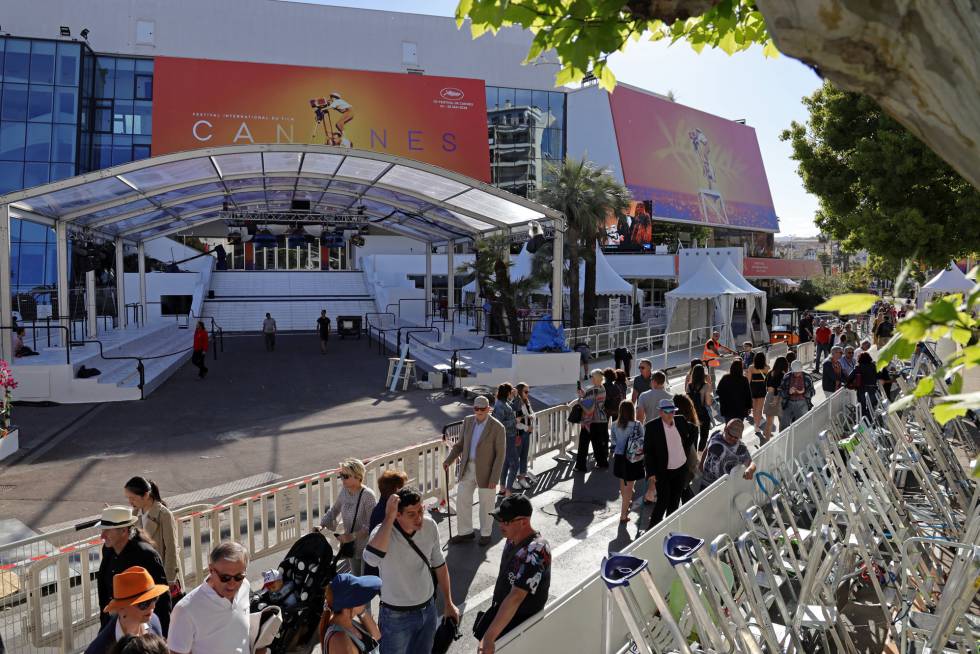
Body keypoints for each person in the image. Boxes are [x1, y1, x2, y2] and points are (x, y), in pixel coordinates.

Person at [363, 488, 460, 654]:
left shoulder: (430, 526)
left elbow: (439, 565)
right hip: (395, 617)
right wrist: (388, 517)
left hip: (428, 610)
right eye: (411, 514)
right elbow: (371, 559)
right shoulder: (382, 531)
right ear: (397, 515)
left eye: (420, 510)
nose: (419, 518)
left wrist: (449, 603)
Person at [477, 496, 551, 654]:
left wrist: (489, 637)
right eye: (499, 519)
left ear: (523, 522)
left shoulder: (537, 550)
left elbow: (516, 596)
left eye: (506, 521)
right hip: (504, 615)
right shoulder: (511, 539)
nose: (500, 524)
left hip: (522, 625)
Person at [167, 542, 253, 654]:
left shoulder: (245, 586)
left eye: (239, 577)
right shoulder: (186, 610)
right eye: (225, 577)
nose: (232, 584)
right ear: (211, 570)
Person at [96, 507, 171, 633]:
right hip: (115, 624)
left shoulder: (146, 554)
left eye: (108, 531)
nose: (102, 536)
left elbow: (162, 598)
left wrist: (163, 634)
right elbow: (104, 589)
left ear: (124, 531)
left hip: (141, 627)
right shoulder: (108, 549)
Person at [443, 396, 505, 546]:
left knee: (486, 504)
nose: (479, 411)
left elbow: (500, 455)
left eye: (482, 409)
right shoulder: (468, 421)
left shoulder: (497, 427)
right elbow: (459, 445)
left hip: (487, 471)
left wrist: (494, 479)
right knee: (462, 500)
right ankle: (465, 532)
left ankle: (485, 534)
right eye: (476, 408)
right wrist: (448, 460)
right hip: (467, 468)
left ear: (489, 409)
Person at [85, 566, 167, 654]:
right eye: (144, 603)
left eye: (154, 598)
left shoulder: (154, 621)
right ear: (121, 608)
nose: (152, 606)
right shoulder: (98, 649)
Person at [123, 477, 183, 594]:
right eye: (128, 498)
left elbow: (171, 549)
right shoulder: (135, 513)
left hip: (160, 575)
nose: (130, 502)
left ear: (145, 495)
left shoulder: (164, 515)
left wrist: (169, 579)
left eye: (133, 498)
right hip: (143, 576)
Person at [319, 459, 377, 575]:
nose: (342, 479)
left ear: (358, 476)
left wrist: (352, 536)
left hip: (366, 547)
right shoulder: (345, 491)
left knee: (365, 583)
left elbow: (373, 524)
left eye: (346, 476)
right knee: (356, 578)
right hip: (351, 547)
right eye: (341, 475)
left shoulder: (368, 495)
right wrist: (322, 525)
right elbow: (335, 509)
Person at [644, 399, 693, 528]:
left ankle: (670, 528)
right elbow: (648, 453)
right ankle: (652, 530)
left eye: (672, 411)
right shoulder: (651, 427)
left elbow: (694, 430)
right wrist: (651, 473)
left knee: (675, 501)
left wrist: (685, 448)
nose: (671, 414)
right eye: (667, 411)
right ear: (660, 412)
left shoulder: (680, 420)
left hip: (680, 468)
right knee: (663, 501)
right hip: (663, 471)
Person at [319, 573, 382, 654]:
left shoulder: (348, 621)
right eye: (359, 599)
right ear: (347, 607)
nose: (363, 602)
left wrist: (362, 612)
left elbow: (377, 636)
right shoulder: (339, 641)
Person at [365, 469, 408, 577]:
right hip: (387, 570)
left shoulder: (379, 508)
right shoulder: (391, 513)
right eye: (404, 487)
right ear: (397, 489)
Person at [608, 400, 645, 522]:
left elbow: (613, 442)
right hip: (633, 458)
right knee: (629, 486)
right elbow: (643, 440)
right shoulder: (637, 424)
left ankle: (626, 503)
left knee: (623, 485)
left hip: (619, 458)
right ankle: (623, 515)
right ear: (632, 411)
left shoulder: (614, 425)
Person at [698, 419, 757, 489]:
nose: (732, 438)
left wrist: (750, 470)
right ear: (725, 428)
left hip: (722, 486)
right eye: (731, 435)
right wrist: (701, 463)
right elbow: (707, 447)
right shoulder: (716, 434)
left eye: (736, 437)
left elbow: (751, 463)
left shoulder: (740, 448)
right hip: (705, 479)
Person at [575, 369, 609, 472]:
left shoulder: (593, 390)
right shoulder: (602, 388)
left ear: (596, 378)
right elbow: (592, 399)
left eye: (592, 377)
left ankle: (580, 466)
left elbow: (588, 407)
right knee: (598, 444)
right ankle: (602, 463)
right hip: (601, 420)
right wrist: (584, 395)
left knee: (583, 444)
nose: (591, 379)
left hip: (590, 421)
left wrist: (580, 400)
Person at [672, 393, 701, 501]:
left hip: (676, 464)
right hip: (688, 464)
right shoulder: (692, 424)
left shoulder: (673, 423)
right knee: (687, 493)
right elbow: (694, 445)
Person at [492, 384, 520, 495]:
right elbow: (499, 424)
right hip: (507, 437)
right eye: (511, 392)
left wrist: (516, 396)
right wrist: (514, 421)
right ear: (508, 393)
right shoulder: (500, 405)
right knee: (515, 464)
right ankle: (508, 490)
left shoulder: (503, 402)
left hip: (509, 436)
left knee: (506, 463)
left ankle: (503, 488)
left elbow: (515, 407)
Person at [511, 382, 536, 491]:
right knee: (516, 458)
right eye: (525, 392)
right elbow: (515, 423)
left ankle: (521, 477)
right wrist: (526, 428)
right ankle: (512, 480)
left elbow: (533, 413)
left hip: (526, 434)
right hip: (519, 435)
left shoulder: (526, 402)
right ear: (520, 392)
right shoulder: (516, 404)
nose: (527, 394)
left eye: (528, 392)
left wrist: (531, 416)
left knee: (524, 456)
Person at [778, 360, 815, 425]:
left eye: (798, 372)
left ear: (801, 370)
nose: (796, 374)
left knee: (800, 425)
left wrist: (804, 392)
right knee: (784, 426)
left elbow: (813, 392)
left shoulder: (807, 377)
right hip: (788, 403)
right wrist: (788, 392)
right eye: (795, 372)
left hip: (802, 404)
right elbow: (780, 391)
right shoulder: (787, 377)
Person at [686, 364, 713, 451]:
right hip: (703, 413)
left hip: (692, 413)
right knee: (704, 435)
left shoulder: (689, 386)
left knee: (693, 435)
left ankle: (693, 455)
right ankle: (700, 454)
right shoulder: (706, 386)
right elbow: (708, 403)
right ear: (703, 374)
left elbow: (687, 400)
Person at [716, 360, 751, 425]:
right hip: (741, 409)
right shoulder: (744, 379)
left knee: (728, 427)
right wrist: (749, 407)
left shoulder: (725, 377)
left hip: (727, 408)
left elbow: (718, 391)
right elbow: (748, 394)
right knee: (738, 428)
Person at [848, 351, 881, 421]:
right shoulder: (873, 366)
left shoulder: (858, 367)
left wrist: (849, 384)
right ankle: (871, 423)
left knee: (862, 408)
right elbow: (879, 375)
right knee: (871, 408)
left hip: (861, 390)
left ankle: (864, 424)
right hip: (872, 389)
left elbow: (850, 377)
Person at [762, 356, 788, 443]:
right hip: (778, 398)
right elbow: (778, 388)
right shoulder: (782, 374)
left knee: (769, 422)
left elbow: (766, 385)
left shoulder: (770, 373)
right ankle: (781, 440)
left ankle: (766, 440)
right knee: (782, 421)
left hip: (769, 396)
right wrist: (776, 398)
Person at [745, 352, 769, 435]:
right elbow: (768, 380)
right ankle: (757, 425)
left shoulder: (751, 367)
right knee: (760, 409)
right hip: (762, 389)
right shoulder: (767, 368)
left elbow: (748, 381)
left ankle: (756, 424)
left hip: (753, 388)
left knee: (754, 408)